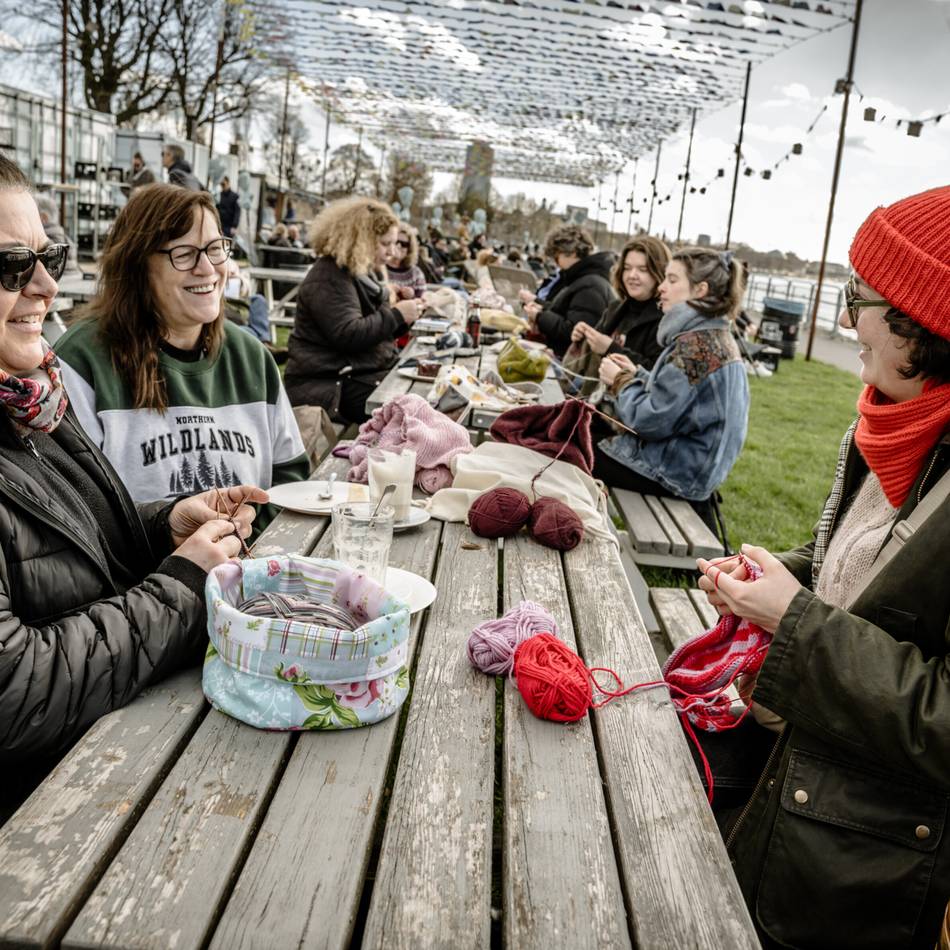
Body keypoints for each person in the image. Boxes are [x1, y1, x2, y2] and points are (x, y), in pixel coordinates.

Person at [694, 186, 950, 950]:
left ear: (921, 320)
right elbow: (863, 575)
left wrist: (793, 619)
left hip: (869, 866)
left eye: (856, 298)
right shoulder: (894, 423)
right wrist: (774, 578)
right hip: (806, 783)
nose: (844, 321)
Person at [0, 154, 267, 798]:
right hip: (54, 801)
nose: (46, 286)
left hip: (114, 735)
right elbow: (14, 693)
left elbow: (71, 552)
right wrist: (183, 584)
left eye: (49, 257)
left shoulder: (30, 398)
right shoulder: (67, 368)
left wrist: (164, 527)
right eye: (11, 265)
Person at [54, 184, 308, 520]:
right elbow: (75, 512)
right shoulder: (81, 362)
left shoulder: (251, 357)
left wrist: (246, 535)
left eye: (215, 249)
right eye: (184, 253)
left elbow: (291, 481)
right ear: (137, 266)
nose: (207, 268)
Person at [593, 247, 749, 529]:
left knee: (573, 446)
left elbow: (649, 421)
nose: (662, 288)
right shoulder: (711, 336)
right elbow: (677, 401)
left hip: (676, 474)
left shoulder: (696, 348)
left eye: (672, 280)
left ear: (700, 290)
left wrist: (620, 381)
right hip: (691, 468)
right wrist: (636, 374)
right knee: (583, 428)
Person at [284, 196, 424, 424]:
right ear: (362, 240)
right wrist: (396, 314)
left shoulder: (358, 272)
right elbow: (349, 335)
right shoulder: (329, 276)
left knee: (424, 399)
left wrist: (402, 318)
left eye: (394, 244)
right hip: (327, 387)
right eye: (385, 244)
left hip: (352, 376)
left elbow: (373, 332)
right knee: (415, 414)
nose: (392, 252)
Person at [566, 235, 671, 391]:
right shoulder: (615, 308)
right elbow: (594, 351)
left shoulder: (665, 320)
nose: (632, 275)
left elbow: (657, 374)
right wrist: (582, 337)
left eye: (643, 270)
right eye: (627, 268)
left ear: (659, 274)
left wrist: (611, 348)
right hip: (594, 395)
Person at [521, 225, 615, 357]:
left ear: (572, 253)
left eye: (557, 257)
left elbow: (572, 332)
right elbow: (565, 311)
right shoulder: (585, 279)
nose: (556, 263)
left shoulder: (590, 286)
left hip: (566, 360)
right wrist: (539, 305)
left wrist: (539, 316)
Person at [386, 225, 427, 299]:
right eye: (396, 242)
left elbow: (423, 301)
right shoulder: (379, 268)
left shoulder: (416, 273)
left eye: (404, 244)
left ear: (409, 249)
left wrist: (412, 296)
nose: (399, 246)